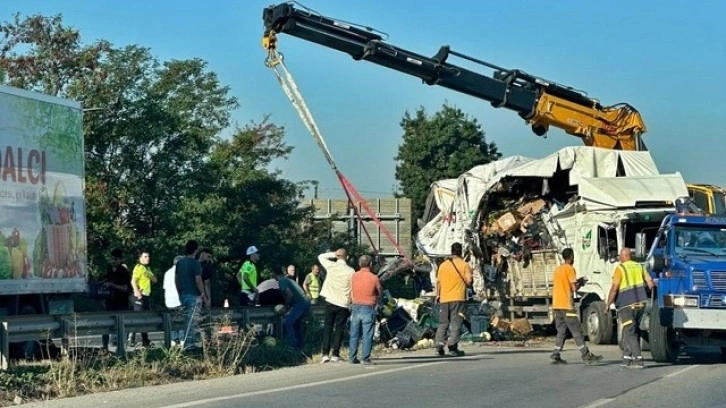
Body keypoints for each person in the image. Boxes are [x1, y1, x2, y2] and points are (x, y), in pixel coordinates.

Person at [604, 248, 655, 368]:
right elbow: (650, 283)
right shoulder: (639, 266)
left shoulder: (620, 268)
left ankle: (638, 359)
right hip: (641, 304)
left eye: (620, 257)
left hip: (626, 305)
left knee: (630, 331)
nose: (619, 259)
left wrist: (607, 304)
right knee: (630, 329)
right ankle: (626, 358)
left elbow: (614, 289)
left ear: (623, 256)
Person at [550, 248, 603, 364]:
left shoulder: (558, 269)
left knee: (561, 330)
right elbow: (574, 288)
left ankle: (555, 353)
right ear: (572, 257)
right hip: (566, 305)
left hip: (557, 304)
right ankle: (586, 355)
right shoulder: (570, 269)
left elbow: (563, 284)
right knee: (576, 330)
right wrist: (581, 283)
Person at [434, 242, 472, 357]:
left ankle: (439, 347)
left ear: (451, 252)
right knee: (456, 323)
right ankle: (452, 347)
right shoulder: (464, 265)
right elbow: (469, 281)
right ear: (461, 252)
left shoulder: (443, 265)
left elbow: (438, 282)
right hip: (458, 298)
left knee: (443, 323)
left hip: (444, 298)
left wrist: (438, 295)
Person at [318, 248, 354, 363]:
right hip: (343, 303)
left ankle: (324, 353)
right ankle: (335, 354)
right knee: (339, 329)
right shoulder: (351, 271)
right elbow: (352, 287)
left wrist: (333, 254)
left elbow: (321, 257)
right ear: (347, 257)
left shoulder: (332, 266)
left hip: (330, 301)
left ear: (337, 256)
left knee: (328, 327)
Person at [348, 255, 382, 365]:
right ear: (370, 264)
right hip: (368, 307)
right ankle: (365, 358)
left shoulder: (354, 276)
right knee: (367, 334)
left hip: (356, 306)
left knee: (354, 333)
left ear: (359, 264)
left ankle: (352, 357)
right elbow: (379, 291)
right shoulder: (374, 278)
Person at [175, 240, 208, 350]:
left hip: (183, 295)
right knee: (192, 321)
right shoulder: (195, 264)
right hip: (193, 295)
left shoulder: (180, 263)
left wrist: (179, 292)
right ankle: (189, 345)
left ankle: (187, 342)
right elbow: (198, 280)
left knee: (186, 321)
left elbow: (176, 280)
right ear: (196, 250)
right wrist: (203, 295)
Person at [274, 268, 311, 350]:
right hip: (306, 302)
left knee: (288, 323)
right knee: (296, 325)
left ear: (275, 275)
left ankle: (292, 346)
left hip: (301, 303)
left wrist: (286, 307)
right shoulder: (289, 280)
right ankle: (300, 346)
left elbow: (290, 295)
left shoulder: (282, 281)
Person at [101, 248, 130, 352]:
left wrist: (112, 285)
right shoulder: (108, 269)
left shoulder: (123, 271)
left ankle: (120, 347)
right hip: (109, 301)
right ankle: (105, 347)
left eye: (116, 259)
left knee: (120, 325)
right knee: (105, 324)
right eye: (112, 259)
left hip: (121, 301)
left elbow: (125, 287)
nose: (113, 261)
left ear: (120, 259)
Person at [129, 250, 157, 347]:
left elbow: (155, 280)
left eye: (148, 256)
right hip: (140, 296)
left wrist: (149, 275)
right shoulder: (139, 267)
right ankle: (131, 339)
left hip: (146, 296)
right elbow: (133, 281)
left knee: (145, 319)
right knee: (138, 318)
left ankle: (145, 340)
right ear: (140, 258)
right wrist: (137, 292)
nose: (147, 258)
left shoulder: (147, 268)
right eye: (145, 256)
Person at [163, 255, 185, 347]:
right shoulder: (181, 272)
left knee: (172, 321)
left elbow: (165, 288)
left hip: (169, 301)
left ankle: (173, 339)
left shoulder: (167, 273)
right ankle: (182, 339)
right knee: (182, 320)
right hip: (179, 300)